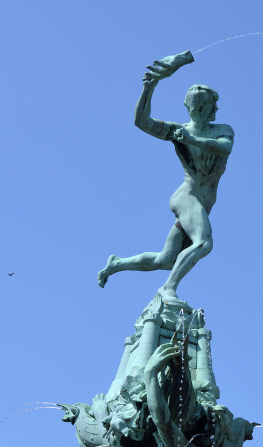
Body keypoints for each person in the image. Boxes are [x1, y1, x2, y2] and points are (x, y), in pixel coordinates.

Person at [98, 53, 234, 298]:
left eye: (209, 105)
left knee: (166, 260)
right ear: (194, 107)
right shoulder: (178, 131)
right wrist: (150, 86)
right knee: (204, 243)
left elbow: (225, 147)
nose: (209, 109)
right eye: (203, 104)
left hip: (202, 203)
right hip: (187, 197)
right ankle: (168, 288)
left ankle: (117, 263)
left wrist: (193, 140)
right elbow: (141, 121)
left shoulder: (222, 130)